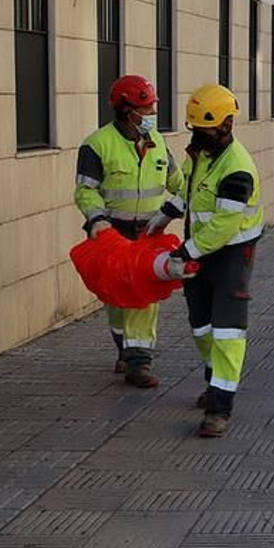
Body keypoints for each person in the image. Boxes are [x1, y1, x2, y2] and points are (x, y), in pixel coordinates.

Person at [162, 84, 263, 438]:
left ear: (226, 126)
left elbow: (223, 225)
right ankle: (213, 379)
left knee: (226, 331)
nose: (197, 136)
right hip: (200, 252)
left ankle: (220, 407)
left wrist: (185, 252)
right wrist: (163, 217)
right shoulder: (201, 155)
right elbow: (188, 192)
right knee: (200, 326)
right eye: (194, 129)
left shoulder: (238, 169)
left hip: (232, 255)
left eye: (203, 130)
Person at [74, 75, 185, 388]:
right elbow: (86, 191)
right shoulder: (97, 144)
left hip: (148, 235)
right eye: (145, 109)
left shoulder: (158, 143)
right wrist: (97, 219)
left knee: (144, 299)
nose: (151, 114)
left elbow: (180, 181)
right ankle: (125, 350)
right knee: (116, 300)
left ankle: (139, 363)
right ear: (126, 110)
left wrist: (175, 207)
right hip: (112, 235)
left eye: (152, 108)